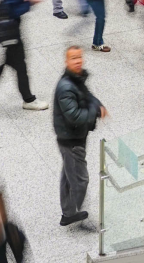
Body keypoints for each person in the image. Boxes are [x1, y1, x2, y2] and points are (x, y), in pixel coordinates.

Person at [53, 45, 106, 227]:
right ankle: (76, 214)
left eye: (79, 57)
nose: (78, 61)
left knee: (68, 175)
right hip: (72, 141)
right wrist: (95, 111)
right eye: (73, 58)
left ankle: (68, 213)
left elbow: (87, 96)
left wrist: (98, 105)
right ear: (66, 61)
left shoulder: (75, 79)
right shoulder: (66, 87)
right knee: (79, 180)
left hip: (71, 138)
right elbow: (75, 116)